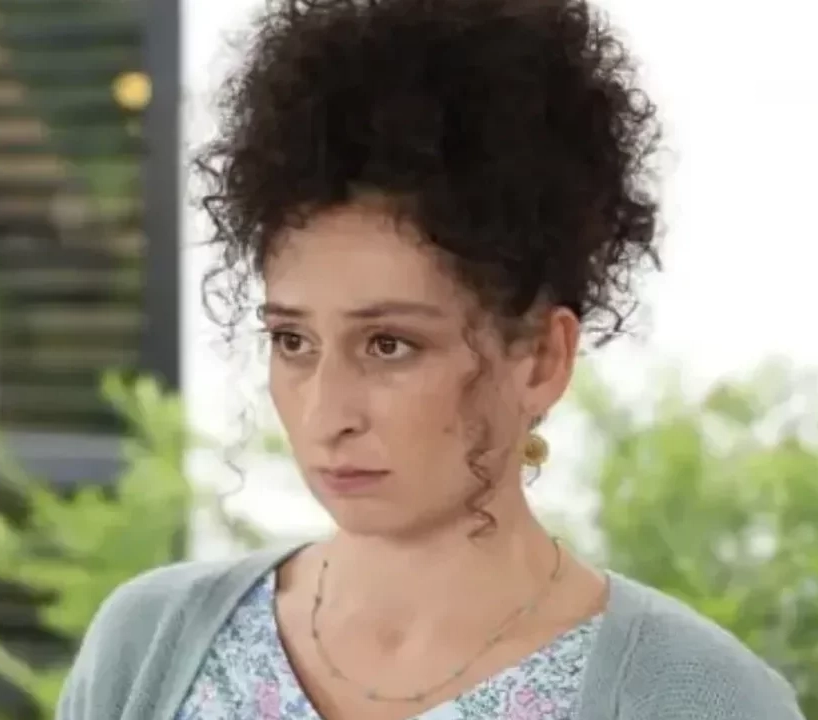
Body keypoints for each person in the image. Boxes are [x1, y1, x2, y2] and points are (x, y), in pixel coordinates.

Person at [57, 0, 806, 718]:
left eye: (389, 345)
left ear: (541, 358)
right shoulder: (148, 644)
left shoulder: (698, 700)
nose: (325, 413)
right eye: (293, 341)